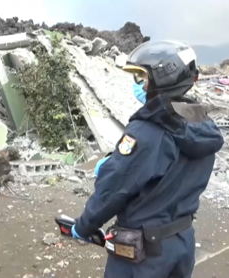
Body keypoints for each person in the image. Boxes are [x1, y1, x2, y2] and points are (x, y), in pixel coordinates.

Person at [71, 40, 224, 278]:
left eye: (143, 77)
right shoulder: (203, 124)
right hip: (181, 242)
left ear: (163, 78)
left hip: (144, 254)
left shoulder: (146, 132)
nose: (141, 84)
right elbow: (172, 169)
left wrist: (82, 227)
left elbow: (114, 190)